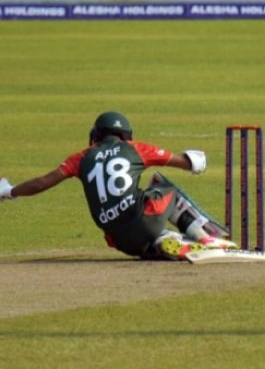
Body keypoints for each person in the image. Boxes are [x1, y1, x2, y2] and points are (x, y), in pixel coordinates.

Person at [0, 111, 235, 260]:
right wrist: (197, 158)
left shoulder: (80, 158)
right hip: (143, 220)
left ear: (95, 135)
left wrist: (8, 191)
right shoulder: (134, 148)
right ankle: (206, 237)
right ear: (125, 135)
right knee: (165, 188)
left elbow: (42, 183)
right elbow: (190, 164)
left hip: (121, 241)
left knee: (140, 215)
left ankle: (163, 241)